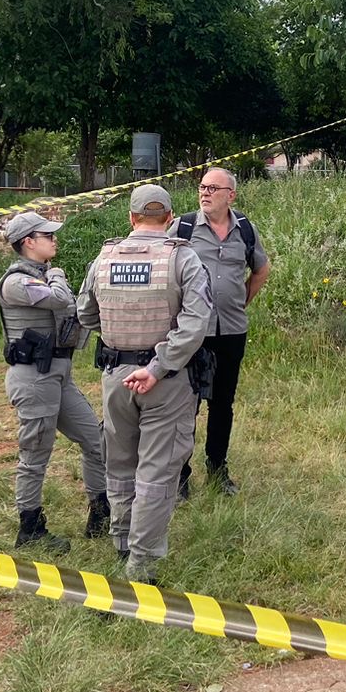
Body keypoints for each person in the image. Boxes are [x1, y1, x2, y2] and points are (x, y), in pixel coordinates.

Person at [78, 184, 213, 584]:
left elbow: (85, 314)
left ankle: (121, 542)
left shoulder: (104, 258)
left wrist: (122, 342)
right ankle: (141, 564)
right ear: (170, 217)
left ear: (132, 218)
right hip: (164, 381)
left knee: (119, 465)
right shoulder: (183, 259)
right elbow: (195, 324)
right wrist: (157, 367)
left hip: (116, 377)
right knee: (156, 473)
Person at [0, 210, 109, 555]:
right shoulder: (17, 282)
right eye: (47, 235)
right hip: (33, 379)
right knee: (35, 455)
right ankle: (30, 526)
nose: (54, 239)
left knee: (96, 439)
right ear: (28, 242)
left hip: (58, 375)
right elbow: (60, 299)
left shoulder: (42, 276)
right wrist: (58, 275)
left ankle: (101, 513)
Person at [170, 166, 270, 498]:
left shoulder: (245, 229)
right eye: (202, 187)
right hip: (191, 333)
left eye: (214, 188)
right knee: (186, 404)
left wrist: (242, 301)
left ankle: (218, 469)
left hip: (230, 330)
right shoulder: (182, 227)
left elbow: (261, 268)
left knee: (222, 403)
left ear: (231, 195)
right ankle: (180, 475)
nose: (205, 193)